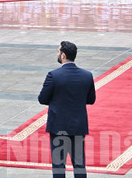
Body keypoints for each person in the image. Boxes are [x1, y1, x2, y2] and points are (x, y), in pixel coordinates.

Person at [38, 41, 96, 178]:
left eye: (58, 51)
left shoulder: (54, 75)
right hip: (78, 126)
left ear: (63, 55)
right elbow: (91, 99)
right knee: (79, 165)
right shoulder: (87, 75)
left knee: (58, 165)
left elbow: (42, 99)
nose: (57, 54)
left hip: (58, 126)